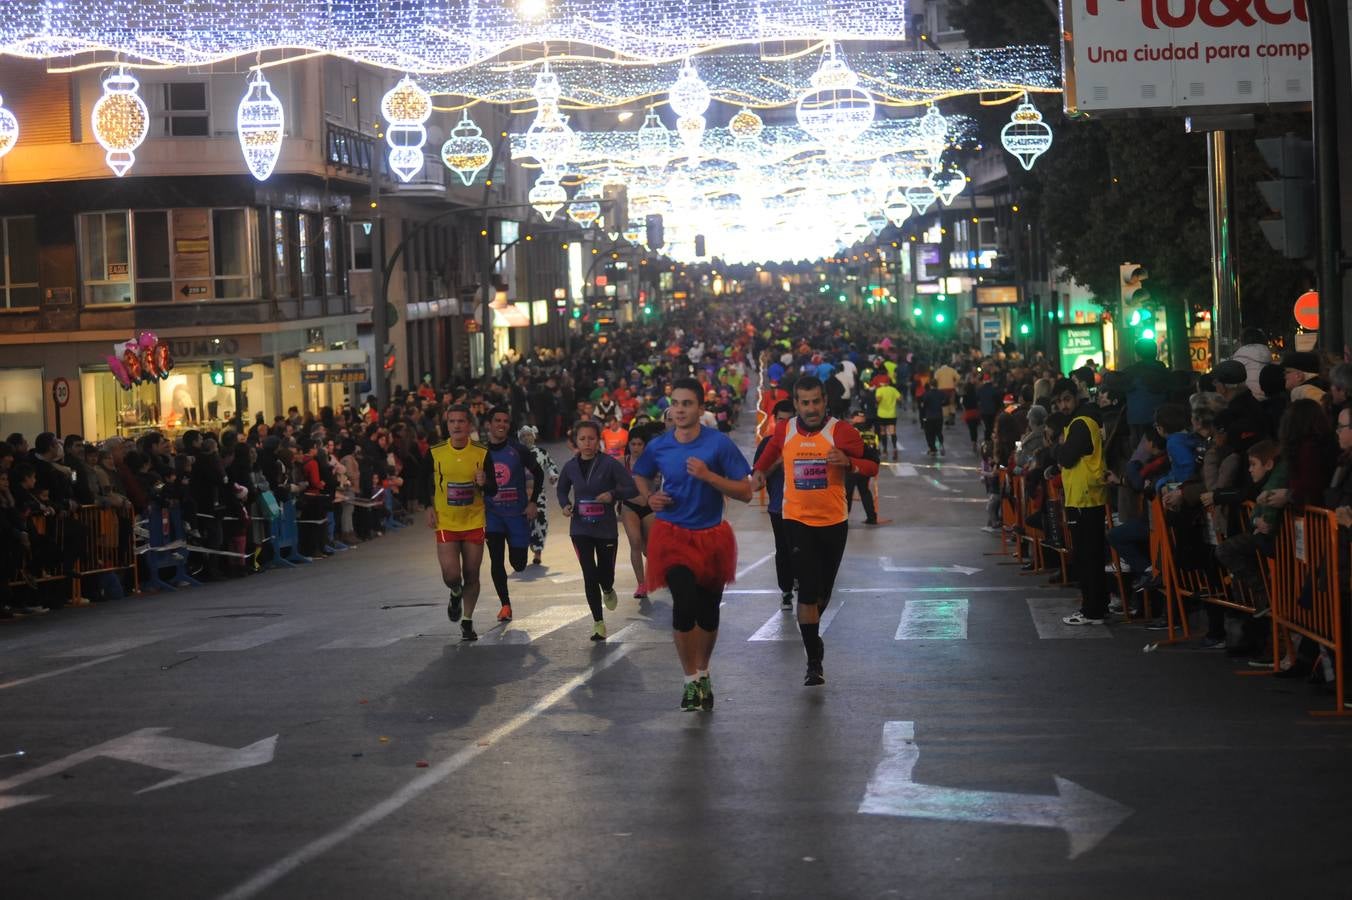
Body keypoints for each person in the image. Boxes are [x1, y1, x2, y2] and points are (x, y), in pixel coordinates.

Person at [632, 377, 754, 712]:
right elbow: (640, 472)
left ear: (701, 408)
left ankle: (703, 672)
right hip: (672, 535)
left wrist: (708, 477)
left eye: (688, 403)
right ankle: (688, 681)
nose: (681, 409)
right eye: (676, 403)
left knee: (708, 614)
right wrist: (649, 497)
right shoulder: (659, 446)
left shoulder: (718, 445)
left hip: (712, 537)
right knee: (684, 605)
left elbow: (745, 493)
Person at [753, 376, 880, 686]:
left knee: (822, 593)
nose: (810, 408)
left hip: (833, 522)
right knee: (808, 591)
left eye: (816, 402)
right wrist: (756, 475)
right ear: (796, 404)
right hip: (795, 520)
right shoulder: (785, 429)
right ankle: (813, 660)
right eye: (804, 402)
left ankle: (812, 637)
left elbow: (873, 464)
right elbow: (767, 458)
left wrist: (850, 462)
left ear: (825, 402)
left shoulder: (842, 431)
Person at [557, 421, 639, 641]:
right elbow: (562, 488)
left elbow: (630, 487)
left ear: (598, 440)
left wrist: (612, 495)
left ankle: (609, 588)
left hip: (605, 529)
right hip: (580, 528)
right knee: (588, 573)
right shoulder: (571, 466)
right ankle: (598, 622)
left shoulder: (609, 464)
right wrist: (565, 505)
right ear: (576, 441)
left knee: (605, 575)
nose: (587, 443)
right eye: (582, 439)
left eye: (591, 438)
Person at [426, 405, 496, 642]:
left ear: (469, 426)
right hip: (446, 521)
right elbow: (424, 482)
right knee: (452, 575)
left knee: (471, 573)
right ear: (447, 426)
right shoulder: (435, 452)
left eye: (461, 421)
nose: (456, 426)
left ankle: (467, 621)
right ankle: (455, 592)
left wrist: (484, 481)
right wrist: (428, 507)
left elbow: (493, 488)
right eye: (452, 422)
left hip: (474, 519)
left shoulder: (482, 452)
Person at [1053, 378, 1110, 626]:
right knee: (1092, 555)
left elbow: (1066, 457)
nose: (1063, 405)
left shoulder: (1080, 423)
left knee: (1087, 556)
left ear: (1076, 397)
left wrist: (1059, 449)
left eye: (1066, 399)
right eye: (1059, 401)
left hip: (1084, 497)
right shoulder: (1085, 419)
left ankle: (1092, 609)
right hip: (1088, 495)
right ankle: (1098, 605)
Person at [483, 406, 545, 623]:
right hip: (493, 515)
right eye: (497, 420)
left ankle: (518, 549)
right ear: (488, 424)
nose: (501, 424)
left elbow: (538, 473)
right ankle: (505, 605)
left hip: (517, 514)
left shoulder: (518, 450)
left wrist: (532, 502)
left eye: (505, 421)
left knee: (518, 564)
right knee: (496, 560)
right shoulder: (480, 451)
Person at [754, 400, 797, 610]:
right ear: (774, 420)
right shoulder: (768, 444)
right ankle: (786, 590)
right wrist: (779, 462)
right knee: (784, 549)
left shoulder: (807, 441)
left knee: (804, 550)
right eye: (781, 420)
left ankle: (803, 582)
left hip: (805, 508)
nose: (785, 425)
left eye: (790, 421)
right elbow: (757, 479)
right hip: (778, 507)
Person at [621, 424, 657, 602]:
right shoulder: (622, 462)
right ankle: (641, 584)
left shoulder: (653, 462)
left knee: (648, 549)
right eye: (632, 444)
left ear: (645, 445)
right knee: (635, 542)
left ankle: (651, 575)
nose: (635, 448)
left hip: (649, 507)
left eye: (639, 444)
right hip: (629, 506)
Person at [518, 425, 559, 567]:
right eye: (523, 436)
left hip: (539, 494)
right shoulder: (515, 453)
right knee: (521, 523)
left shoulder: (542, 452)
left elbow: (551, 466)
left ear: (534, 436)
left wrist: (553, 476)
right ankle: (524, 548)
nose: (526, 438)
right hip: (519, 495)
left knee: (541, 521)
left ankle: (538, 552)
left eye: (529, 435)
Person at [874, 376, 902, 461]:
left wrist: (878, 402)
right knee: (892, 432)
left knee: (883, 432)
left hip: (881, 414)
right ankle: (894, 448)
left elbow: (878, 399)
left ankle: (885, 450)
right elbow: (900, 398)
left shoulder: (879, 390)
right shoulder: (893, 390)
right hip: (892, 415)